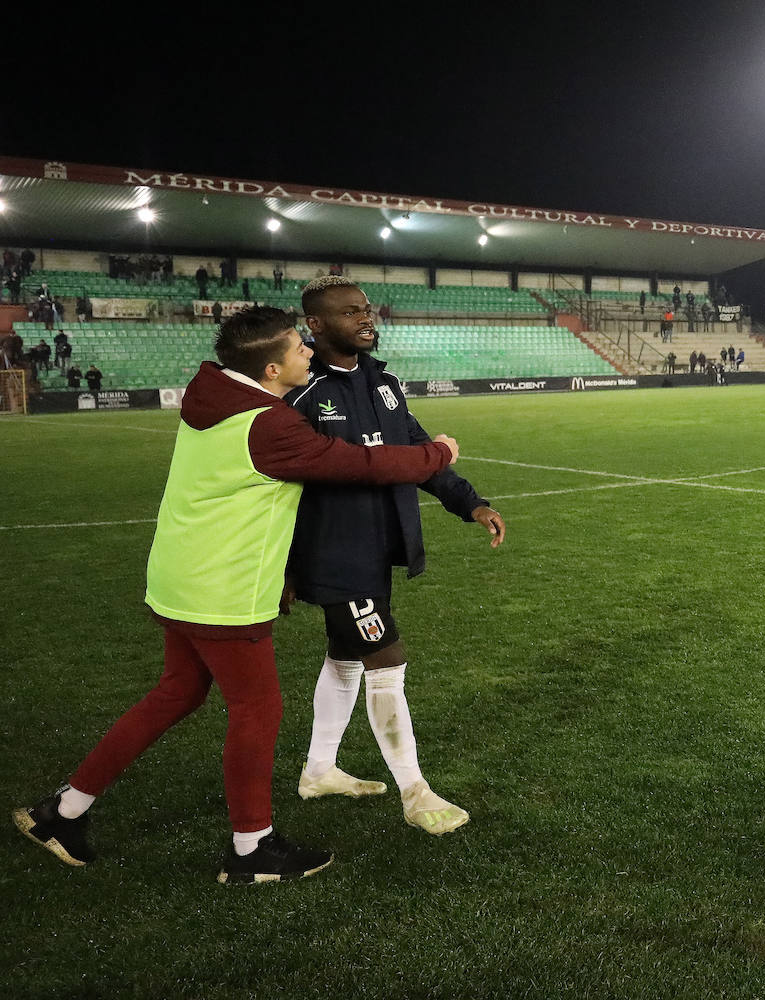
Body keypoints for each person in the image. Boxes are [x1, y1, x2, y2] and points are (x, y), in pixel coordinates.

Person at [12, 306, 459, 883]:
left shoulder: (216, 395)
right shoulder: (267, 424)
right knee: (256, 710)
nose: (309, 354)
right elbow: (357, 463)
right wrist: (437, 454)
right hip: (223, 590)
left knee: (177, 692)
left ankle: (62, 811)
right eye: (300, 348)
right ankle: (252, 850)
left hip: (179, 579)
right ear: (272, 368)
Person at [286, 276, 507, 836]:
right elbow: (280, 486)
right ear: (314, 325)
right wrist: (284, 567)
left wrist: (470, 503)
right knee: (387, 656)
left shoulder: (383, 382)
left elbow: (419, 452)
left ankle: (318, 771)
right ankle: (415, 791)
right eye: (349, 312)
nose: (366, 319)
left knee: (345, 658)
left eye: (366, 309)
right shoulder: (301, 394)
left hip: (378, 546)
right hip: (334, 552)